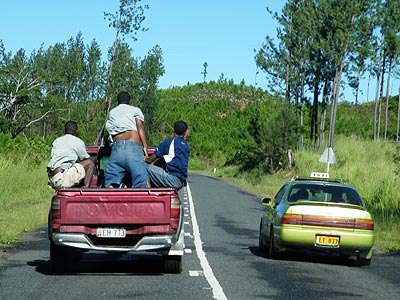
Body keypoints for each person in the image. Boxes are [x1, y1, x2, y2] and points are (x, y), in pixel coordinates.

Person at [105, 91, 149, 188]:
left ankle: (112, 189)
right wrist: (145, 146)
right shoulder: (135, 110)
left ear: (118, 102)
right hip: (133, 147)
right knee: (140, 182)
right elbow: (139, 126)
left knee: (111, 180)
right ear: (130, 101)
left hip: (117, 148)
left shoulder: (112, 112)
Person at [47, 120, 95, 189]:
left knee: (77, 169)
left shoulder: (57, 141)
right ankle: (85, 191)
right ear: (76, 132)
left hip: (52, 178)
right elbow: (86, 160)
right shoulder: (78, 141)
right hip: (62, 177)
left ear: (65, 131)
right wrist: (97, 157)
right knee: (90, 163)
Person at [145, 120, 190, 190]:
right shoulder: (186, 146)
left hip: (172, 179)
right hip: (181, 181)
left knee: (144, 167)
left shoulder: (170, 142)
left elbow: (152, 158)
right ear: (185, 133)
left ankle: (148, 192)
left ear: (173, 130)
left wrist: (146, 159)